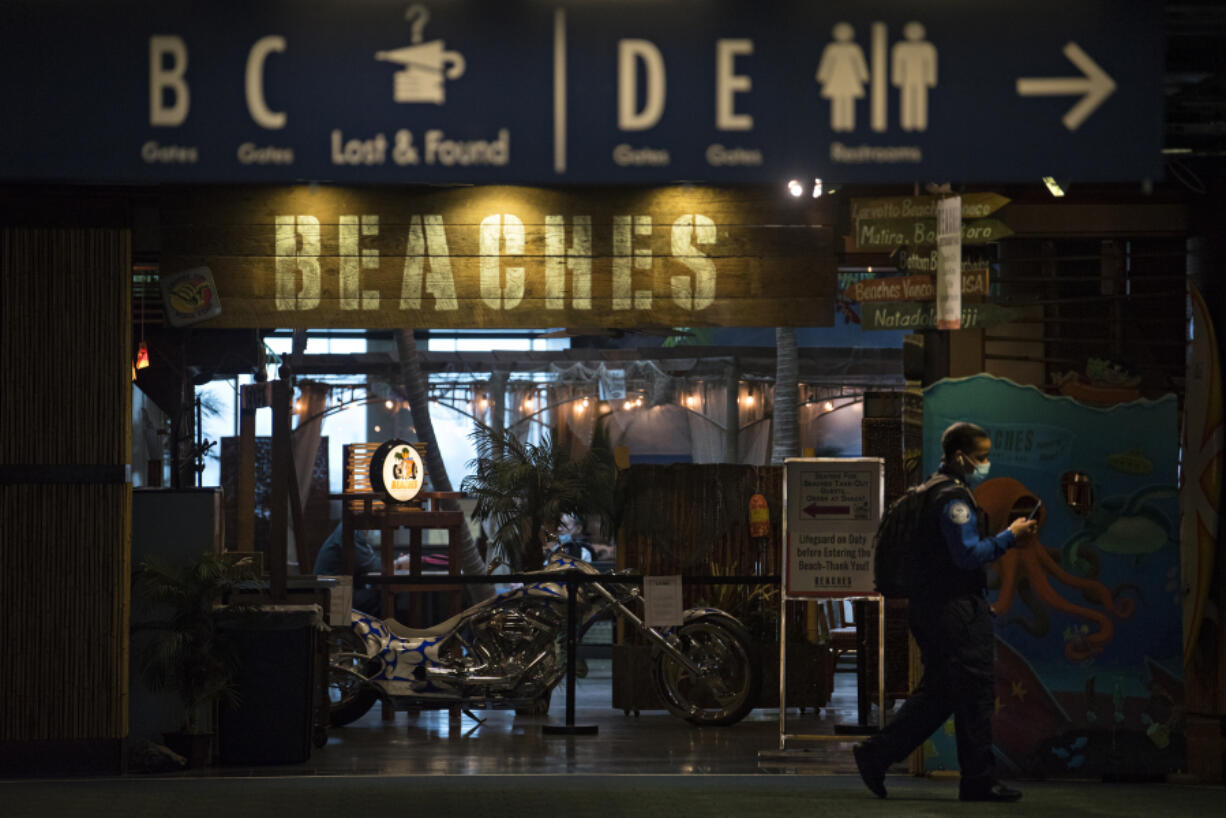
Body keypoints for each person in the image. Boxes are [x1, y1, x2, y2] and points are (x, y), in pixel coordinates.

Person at [852, 421, 1038, 803]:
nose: (986, 462)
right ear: (959, 455)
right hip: (953, 612)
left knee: (941, 693)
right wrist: (1010, 536)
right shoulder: (952, 499)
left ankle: (878, 754)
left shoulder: (931, 489)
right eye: (981, 456)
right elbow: (968, 554)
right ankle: (977, 782)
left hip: (932, 608)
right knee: (974, 693)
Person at [312, 523, 410, 617]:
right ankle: (385, 633)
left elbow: (368, 561)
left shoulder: (352, 529)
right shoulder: (352, 529)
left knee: (387, 593)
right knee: (387, 595)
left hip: (335, 592)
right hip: (334, 598)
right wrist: (399, 564)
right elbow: (371, 565)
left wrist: (397, 563)